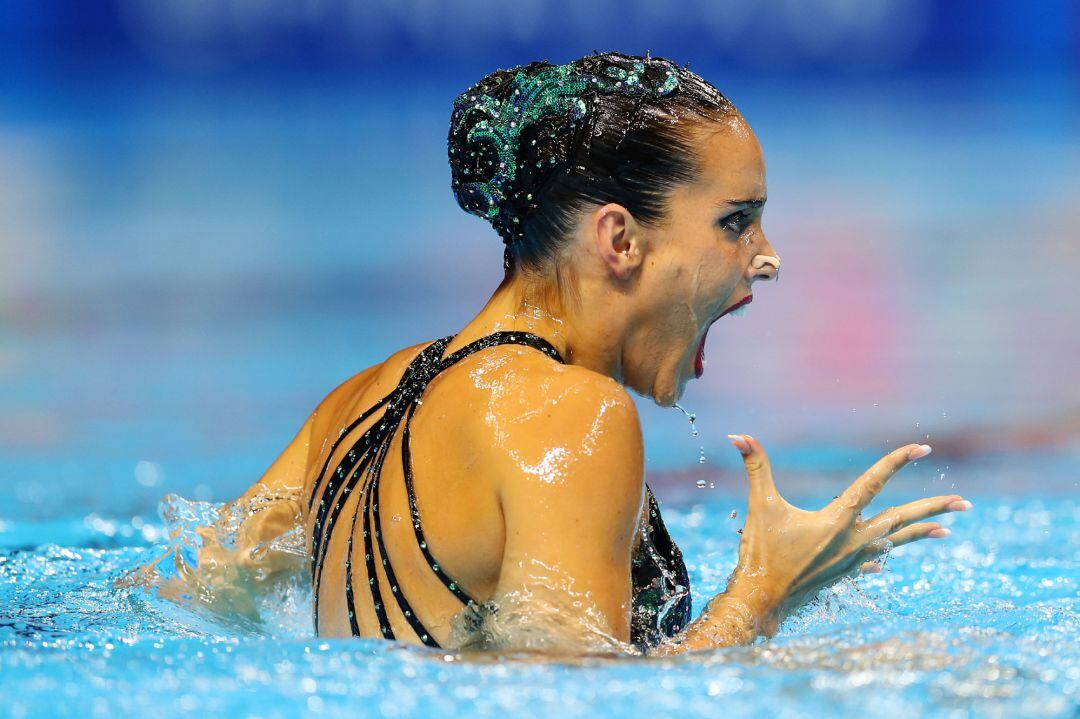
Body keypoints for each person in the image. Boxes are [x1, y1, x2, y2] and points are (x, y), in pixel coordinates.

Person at [147, 51, 971, 655]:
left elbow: (179, 596)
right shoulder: (570, 415)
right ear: (619, 238)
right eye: (733, 221)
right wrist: (761, 593)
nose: (766, 254)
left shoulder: (363, 397)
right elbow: (566, 705)